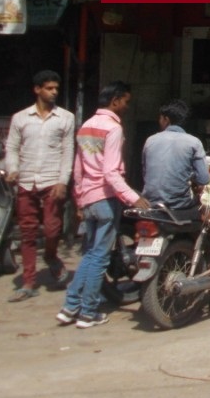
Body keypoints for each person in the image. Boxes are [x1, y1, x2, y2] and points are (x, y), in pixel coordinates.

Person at [56, 82, 149, 329]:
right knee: (99, 257)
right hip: (106, 199)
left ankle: (70, 306)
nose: (126, 107)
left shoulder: (86, 126)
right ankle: (88, 312)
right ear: (116, 100)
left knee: (88, 254)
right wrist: (133, 198)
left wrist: (78, 199)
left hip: (87, 197)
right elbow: (110, 172)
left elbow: (78, 169)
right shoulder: (113, 128)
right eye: (126, 101)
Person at [4, 70, 76, 302]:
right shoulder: (20, 118)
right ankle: (28, 282)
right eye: (49, 88)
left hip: (52, 181)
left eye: (56, 88)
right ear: (37, 90)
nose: (54, 92)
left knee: (53, 229)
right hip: (26, 181)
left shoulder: (66, 118)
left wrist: (63, 181)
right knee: (28, 232)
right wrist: (12, 168)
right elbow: (12, 147)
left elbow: (68, 152)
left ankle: (52, 256)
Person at [141, 99, 209, 211]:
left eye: (160, 118)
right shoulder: (194, 142)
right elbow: (203, 179)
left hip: (150, 203)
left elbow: (145, 173)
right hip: (180, 205)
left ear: (166, 119)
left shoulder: (150, 140)